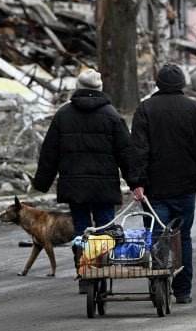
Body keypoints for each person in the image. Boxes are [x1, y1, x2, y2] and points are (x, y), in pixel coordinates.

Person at [128, 63, 196, 305]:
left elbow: (138, 149)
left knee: (156, 236)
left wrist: (137, 182)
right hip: (185, 185)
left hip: (154, 189)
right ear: (182, 85)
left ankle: (158, 286)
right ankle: (183, 291)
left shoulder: (145, 109)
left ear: (158, 84)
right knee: (182, 236)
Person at [32, 68, 131, 275]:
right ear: (100, 88)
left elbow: (50, 151)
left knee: (81, 228)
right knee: (105, 228)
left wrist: (41, 182)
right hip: (104, 186)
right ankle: (102, 269)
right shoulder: (111, 115)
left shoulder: (63, 114)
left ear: (77, 88)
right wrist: (136, 180)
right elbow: (126, 153)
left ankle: (84, 270)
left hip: (74, 185)